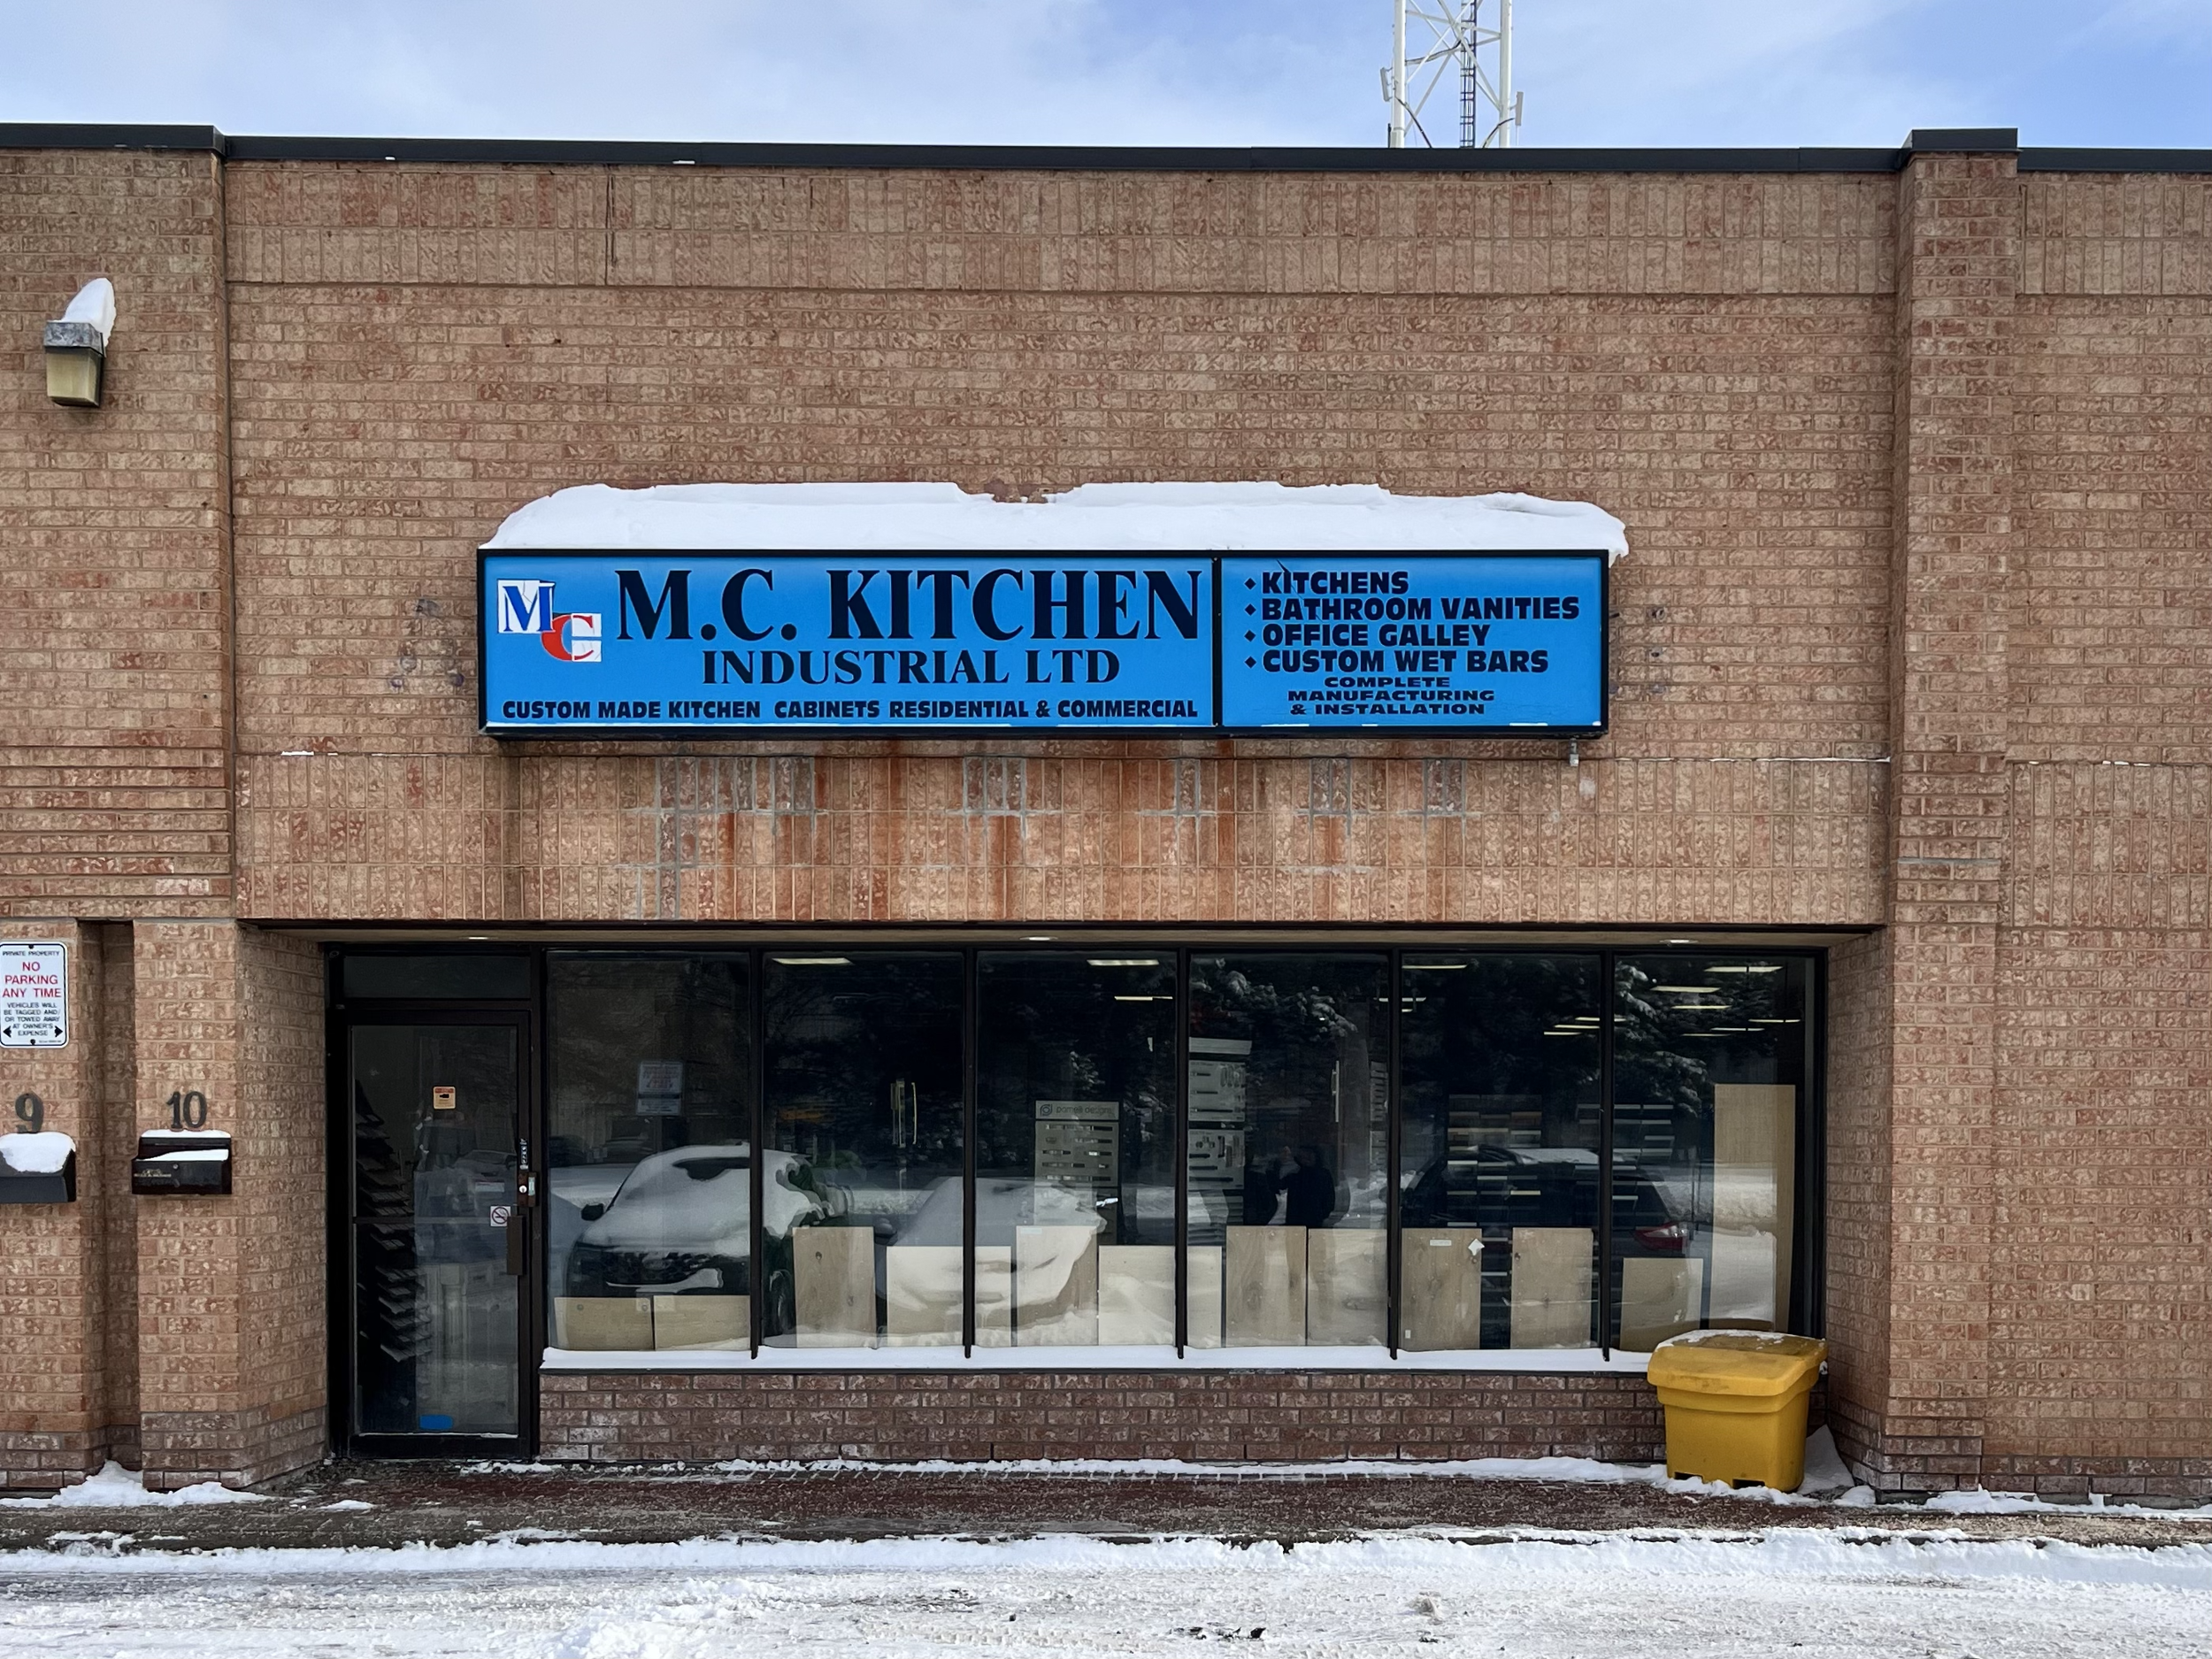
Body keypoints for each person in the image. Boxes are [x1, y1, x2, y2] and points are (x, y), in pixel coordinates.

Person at [1280, 1145, 1335, 1229]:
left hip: (1316, 1222)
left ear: (1316, 1157)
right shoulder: (1295, 1174)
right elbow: (1280, 1185)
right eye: (1302, 1157)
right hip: (1294, 1222)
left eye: (1309, 1157)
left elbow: (1330, 1199)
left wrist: (1323, 1215)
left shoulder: (1323, 1175)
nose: (1305, 1160)